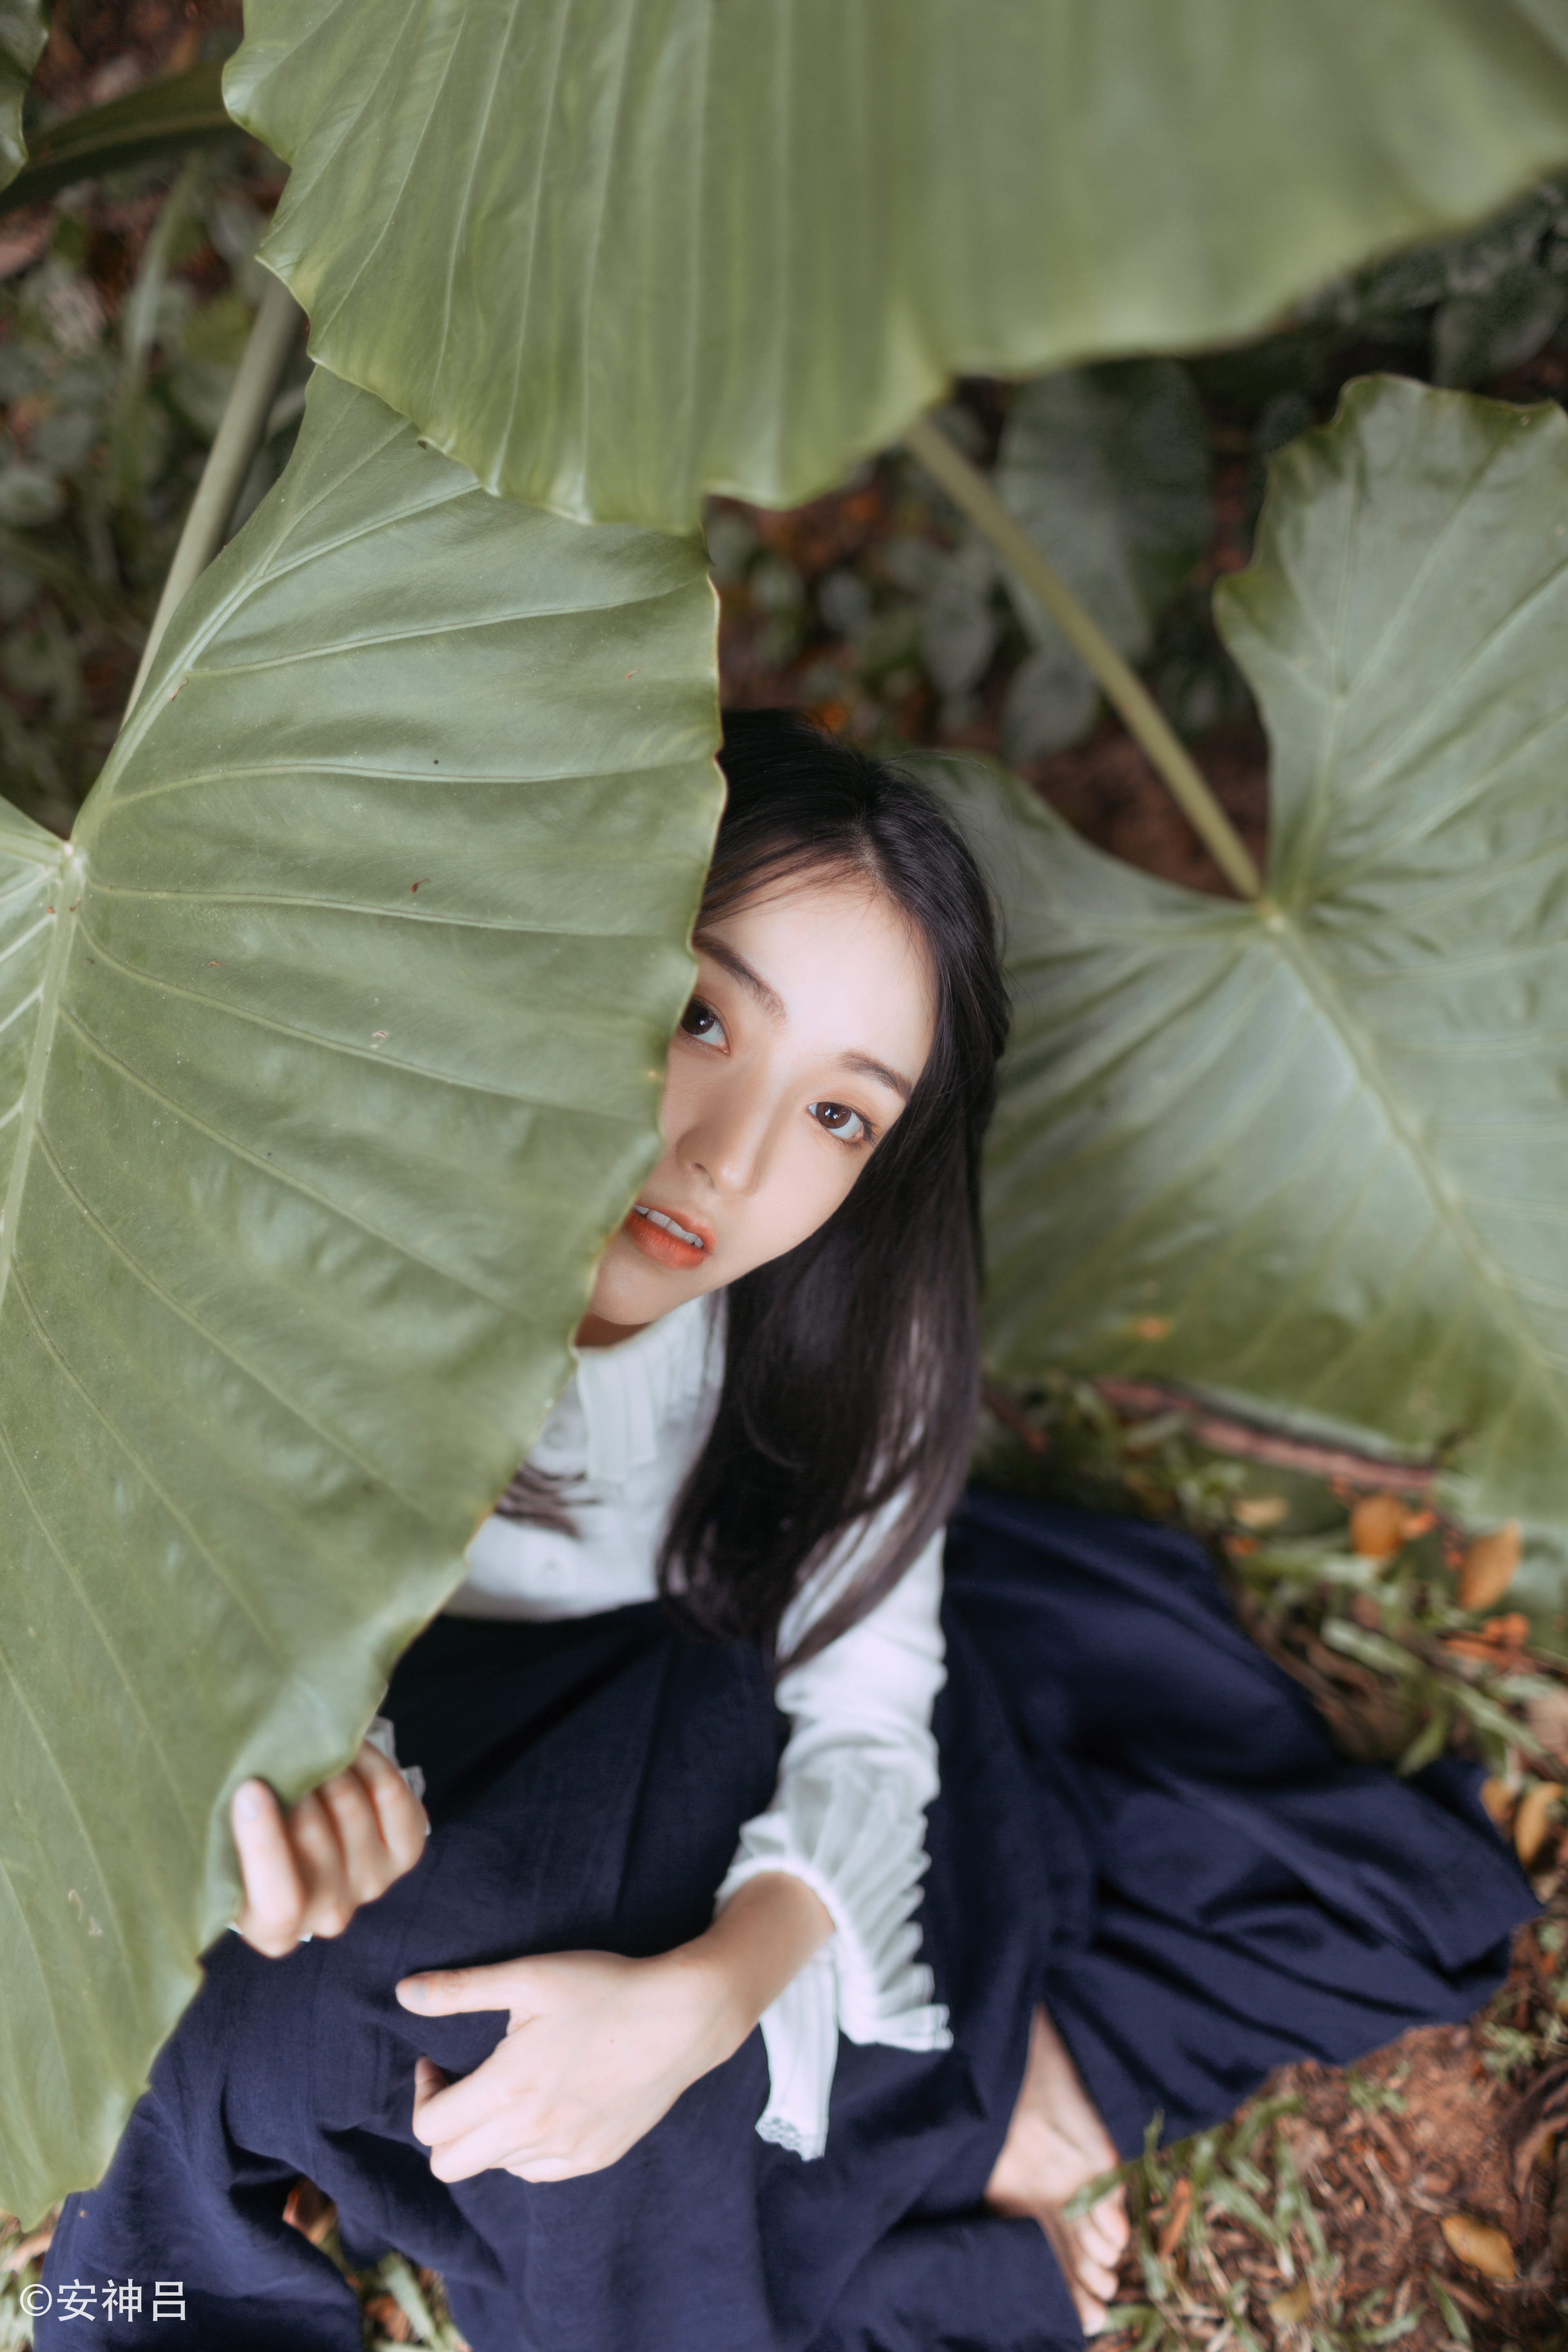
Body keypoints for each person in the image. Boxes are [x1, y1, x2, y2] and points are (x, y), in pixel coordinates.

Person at [43, 713, 1534, 2352]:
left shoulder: (842, 1329)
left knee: (667, 1894)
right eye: (702, 1015)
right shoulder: (309, 1234)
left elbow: (868, 1719)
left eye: (840, 1116)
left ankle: (917, 2112)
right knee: (264, 2010)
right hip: (439, 1806)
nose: (731, 1156)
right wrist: (301, 1787)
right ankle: (902, 2134)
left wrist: (708, 2000)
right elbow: (175, 1618)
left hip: (681, 1730)